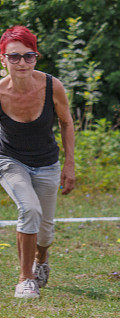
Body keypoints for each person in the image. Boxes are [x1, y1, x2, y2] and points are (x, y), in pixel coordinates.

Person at [0, 25, 75, 299]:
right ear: (3, 59)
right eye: (14, 56)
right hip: (10, 160)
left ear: (36, 57)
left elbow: (67, 123)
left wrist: (69, 166)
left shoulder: (52, 86)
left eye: (28, 56)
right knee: (29, 209)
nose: (21, 62)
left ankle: (41, 260)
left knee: (45, 230)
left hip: (47, 162)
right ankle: (25, 279)